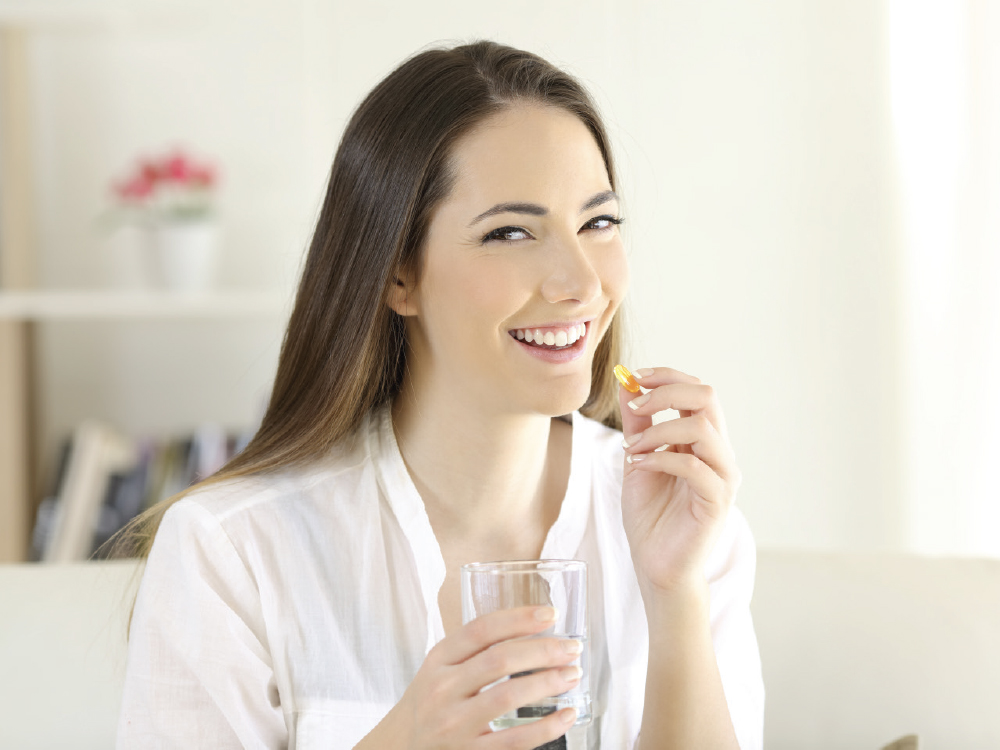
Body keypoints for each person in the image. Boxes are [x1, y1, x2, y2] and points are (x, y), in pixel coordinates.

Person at [114, 40, 764, 750]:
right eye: (510, 232)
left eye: (598, 223)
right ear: (398, 275)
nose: (579, 283)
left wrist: (673, 597)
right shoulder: (232, 551)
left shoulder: (686, 525)